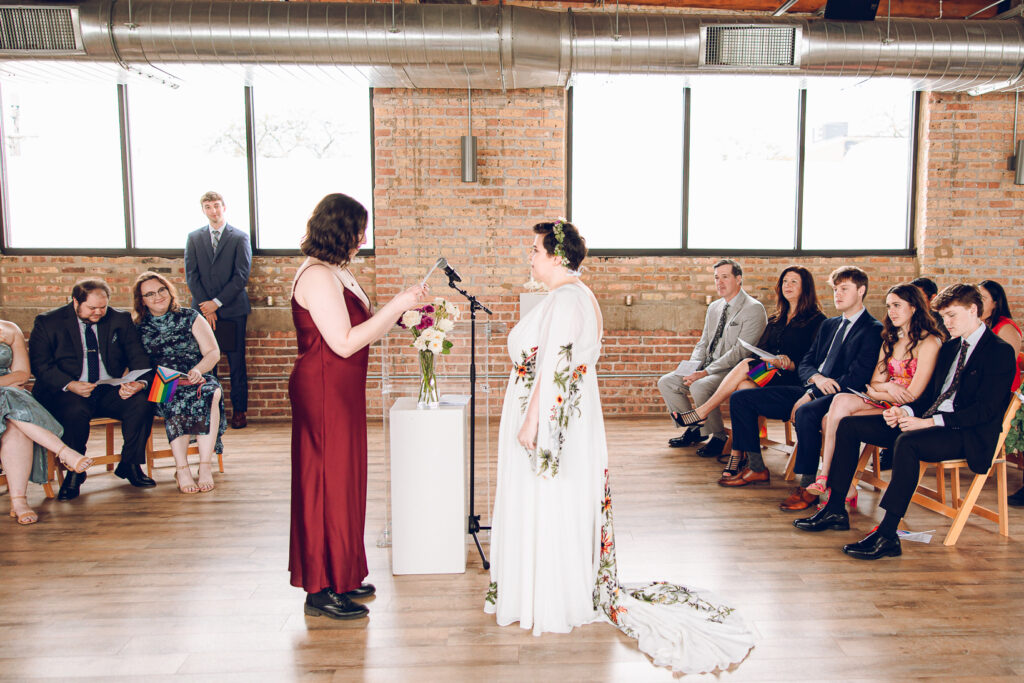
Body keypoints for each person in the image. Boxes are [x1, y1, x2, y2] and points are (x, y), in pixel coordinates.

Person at [486, 219, 754, 674]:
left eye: (534, 249)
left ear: (556, 255)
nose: (529, 256)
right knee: (551, 501)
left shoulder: (569, 299)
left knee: (552, 497)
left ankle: (552, 594)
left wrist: (533, 421)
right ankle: (540, 584)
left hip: (551, 420)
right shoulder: (564, 297)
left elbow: (555, 367)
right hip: (554, 413)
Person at [794, 284, 1016, 559]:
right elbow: (929, 396)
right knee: (849, 426)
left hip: (964, 432)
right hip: (926, 421)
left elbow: (986, 411)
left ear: (974, 310)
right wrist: (905, 412)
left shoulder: (999, 351)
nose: (946, 323)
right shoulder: (950, 348)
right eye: (943, 317)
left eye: (952, 316)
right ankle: (836, 508)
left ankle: (887, 534)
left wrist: (929, 422)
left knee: (908, 442)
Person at [289, 193, 427, 621]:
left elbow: (361, 328)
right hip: (324, 390)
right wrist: (398, 304)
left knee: (345, 482)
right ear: (339, 230)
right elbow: (345, 342)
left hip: (342, 391)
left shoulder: (337, 270)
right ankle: (320, 586)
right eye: (358, 230)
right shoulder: (316, 276)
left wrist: (405, 315)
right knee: (326, 484)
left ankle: (344, 572)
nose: (363, 238)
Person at [722, 267, 883, 512]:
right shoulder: (830, 325)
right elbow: (807, 363)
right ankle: (756, 467)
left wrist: (813, 393)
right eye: (835, 289)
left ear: (861, 291)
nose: (837, 295)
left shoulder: (872, 329)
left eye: (844, 289)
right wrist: (815, 380)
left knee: (807, 412)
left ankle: (808, 486)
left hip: (840, 396)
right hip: (810, 388)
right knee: (741, 398)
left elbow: (857, 377)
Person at [670, 266, 825, 481]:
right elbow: (761, 349)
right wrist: (770, 359)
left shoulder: (818, 321)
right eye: (784, 282)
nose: (787, 286)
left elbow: (816, 362)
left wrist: (789, 364)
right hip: (771, 374)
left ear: (805, 287)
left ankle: (709, 421)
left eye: (793, 282)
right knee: (742, 388)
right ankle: (748, 460)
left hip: (794, 379)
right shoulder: (776, 319)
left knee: (744, 368)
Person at [805, 284, 943, 508]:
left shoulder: (929, 342)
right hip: (881, 400)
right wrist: (889, 387)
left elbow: (912, 394)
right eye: (889, 306)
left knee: (830, 418)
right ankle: (827, 478)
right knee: (839, 402)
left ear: (915, 307)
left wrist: (884, 388)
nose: (892, 312)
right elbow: (873, 384)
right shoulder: (891, 338)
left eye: (897, 305)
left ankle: (834, 481)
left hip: (903, 410)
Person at [28, 278, 156, 501]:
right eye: (92, 308)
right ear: (76, 301)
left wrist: (137, 384)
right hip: (66, 391)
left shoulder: (119, 319)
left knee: (143, 401)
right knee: (74, 411)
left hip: (107, 388)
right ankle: (75, 473)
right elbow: (40, 366)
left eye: (103, 307)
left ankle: (130, 464)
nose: (98, 312)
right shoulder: (48, 322)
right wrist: (70, 384)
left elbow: (139, 358)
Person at [658, 259, 767, 458]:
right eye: (717, 278)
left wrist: (705, 372)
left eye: (725, 277)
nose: (720, 283)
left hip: (733, 371)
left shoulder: (754, 308)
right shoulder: (715, 307)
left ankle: (718, 437)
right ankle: (695, 429)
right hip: (706, 366)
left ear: (739, 278)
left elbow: (740, 352)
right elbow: (704, 341)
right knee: (667, 382)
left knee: (700, 385)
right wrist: (693, 367)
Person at [132, 272, 225, 494]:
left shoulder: (190, 316)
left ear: (169, 291)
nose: (157, 296)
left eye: (161, 290)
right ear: (142, 300)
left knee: (210, 393)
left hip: (196, 374)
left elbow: (213, 352)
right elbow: (133, 364)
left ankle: (204, 467)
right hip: (161, 382)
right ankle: (182, 469)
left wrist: (197, 370)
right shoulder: (137, 326)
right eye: (150, 294)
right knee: (175, 399)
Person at [0, 319, 92, 524]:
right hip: (10, 393)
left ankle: (19, 501)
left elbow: (22, 374)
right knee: (11, 400)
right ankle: (64, 451)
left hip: (10, 396)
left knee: (14, 424)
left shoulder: (9, 329)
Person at [185, 191, 252, 429]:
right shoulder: (194, 238)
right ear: (203, 210)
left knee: (236, 363)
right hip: (203, 312)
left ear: (224, 207)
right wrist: (206, 306)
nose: (213, 210)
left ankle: (239, 411)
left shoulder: (240, 238)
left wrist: (217, 303)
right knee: (206, 363)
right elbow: (191, 275)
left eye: (216, 206)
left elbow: (241, 275)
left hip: (232, 310)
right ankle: (210, 412)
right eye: (208, 207)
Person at [978, 280, 1022, 392]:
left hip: (1001, 390)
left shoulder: (1006, 327)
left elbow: (1006, 367)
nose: (977, 302)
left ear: (995, 303)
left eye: (982, 299)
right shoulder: (979, 324)